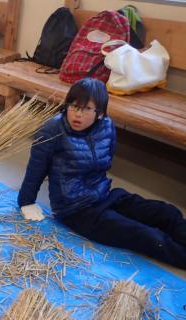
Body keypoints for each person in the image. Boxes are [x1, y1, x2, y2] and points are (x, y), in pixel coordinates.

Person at [18, 78, 186, 269]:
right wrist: (26, 202)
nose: (77, 114)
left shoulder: (106, 126)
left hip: (105, 195)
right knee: (150, 236)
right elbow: (36, 168)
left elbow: (105, 162)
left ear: (100, 113)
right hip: (77, 211)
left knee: (167, 213)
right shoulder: (52, 130)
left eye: (86, 109)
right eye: (73, 106)